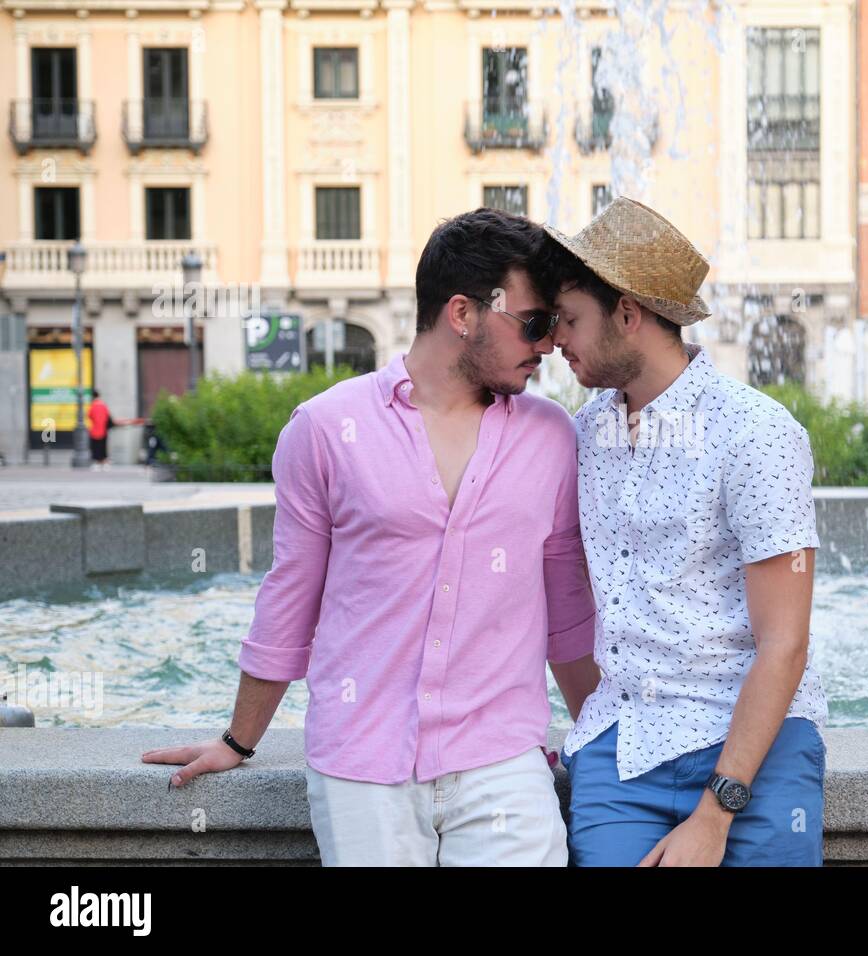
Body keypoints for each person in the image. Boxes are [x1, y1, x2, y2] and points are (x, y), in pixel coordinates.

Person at [142, 208, 602, 866]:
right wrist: (239, 740)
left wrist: (602, 738)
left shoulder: (550, 435)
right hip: (363, 761)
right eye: (532, 323)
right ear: (463, 314)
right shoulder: (325, 428)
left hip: (502, 761)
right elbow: (290, 595)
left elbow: (567, 609)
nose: (550, 343)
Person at [543, 197, 828, 866]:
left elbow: (784, 643)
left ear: (629, 315)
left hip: (757, 746)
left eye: (572, 320)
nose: (558, 339)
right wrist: (599, 728)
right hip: (624, 745)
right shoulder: (581, 436)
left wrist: (713, 814)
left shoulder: (756, 434)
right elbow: (576, 606)